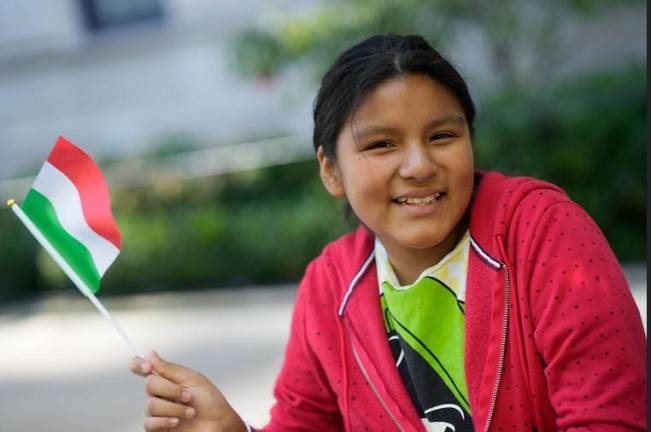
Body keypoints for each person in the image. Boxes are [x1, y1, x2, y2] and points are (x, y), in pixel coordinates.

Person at [129, 33, 647, 431]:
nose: (419, 165)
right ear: (331, 171)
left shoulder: (542, 233)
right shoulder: (329, 286)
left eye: (443, 135)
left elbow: (610, 417)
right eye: (381, 145)